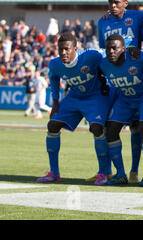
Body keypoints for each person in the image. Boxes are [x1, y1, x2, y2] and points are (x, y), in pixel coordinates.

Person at [36, 32, 111, 185]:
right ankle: (54, 173)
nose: (63, 53)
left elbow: (109, 60)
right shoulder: (55, 64)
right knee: (53, 125)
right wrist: (55, 101)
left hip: (96, 96)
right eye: (60, 49)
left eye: (67, 49)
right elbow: (54, 78)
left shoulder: (91, 56)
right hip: (74, 97)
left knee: (97, 128)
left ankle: (104, 173)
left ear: (75, 49)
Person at [96, 0, 143, 184]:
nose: (113, 6)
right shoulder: (103, 21)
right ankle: (108, 171)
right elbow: (103, 49)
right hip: (116, 82)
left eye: (117, 2)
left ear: (126, 3)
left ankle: (134, 171)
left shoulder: (138, 17)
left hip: (136, 78)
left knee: (137, 128)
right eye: (110, 2)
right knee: (107, 126)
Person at [99, 34, 143, 185]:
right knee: (111, 129)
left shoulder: (139, 57)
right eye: (108, 48)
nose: (111, 51)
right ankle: (120, 174)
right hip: (124, 99)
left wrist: (134, 48)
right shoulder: (103, 64)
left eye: (115, 48)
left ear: (124, 49)